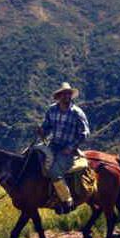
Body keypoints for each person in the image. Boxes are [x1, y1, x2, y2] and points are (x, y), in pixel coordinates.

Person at [37, 82, 90, 214]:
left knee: (54, 171)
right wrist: (42, 131)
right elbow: (47, 126)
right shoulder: (52, 110)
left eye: (69, 94)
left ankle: (67, 201)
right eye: (64, 94)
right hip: (53, 145)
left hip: (68, 150)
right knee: (31, 157)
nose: (67, 96)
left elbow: (85, 133)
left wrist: (71, 147)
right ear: (59, 96)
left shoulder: (77, 113)